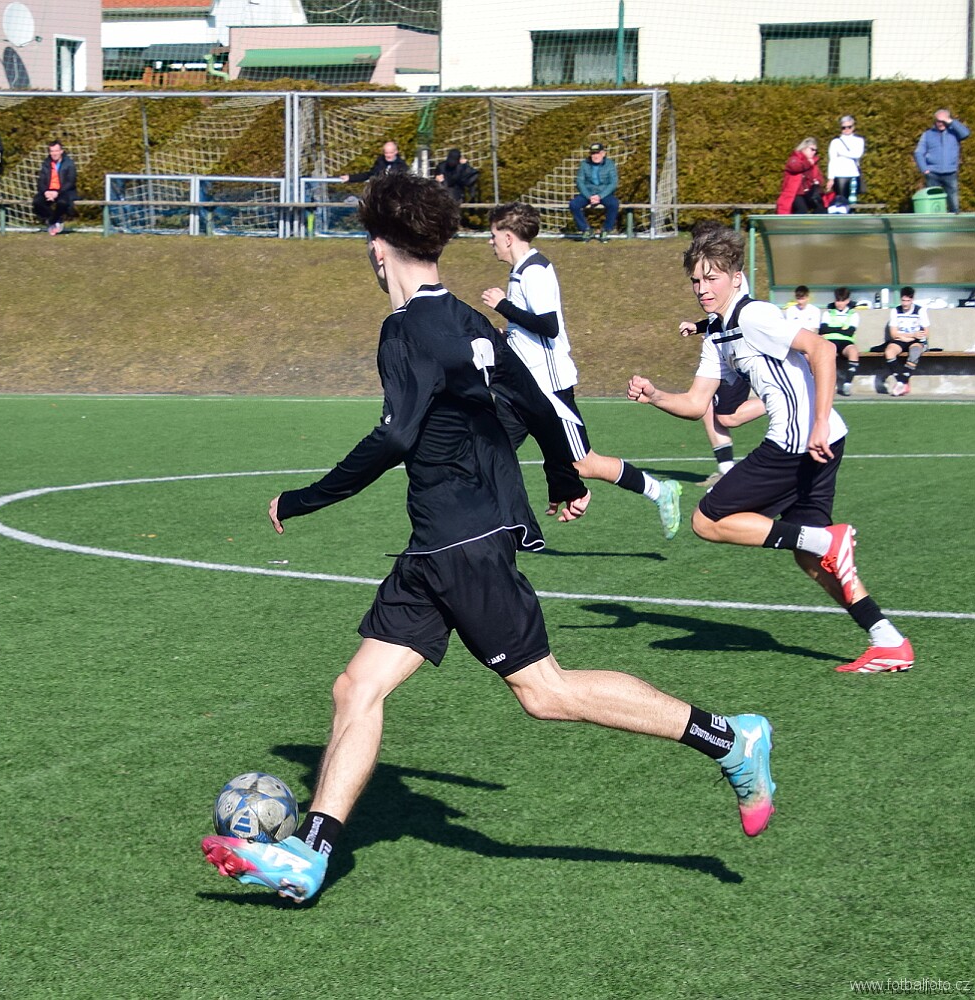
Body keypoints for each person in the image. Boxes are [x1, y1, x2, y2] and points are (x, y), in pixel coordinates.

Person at [199, 173, 777, 904]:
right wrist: (563, 475)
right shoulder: (472, 322)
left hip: (461, 544)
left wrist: (306, 499)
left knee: (545, 691)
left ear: (379, 248)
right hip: (440, 545)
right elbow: (536, 400)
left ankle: (730, 738)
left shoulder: (404, 329)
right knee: (357, 686)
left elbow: (395, 438)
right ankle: (310, 855)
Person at [627, 224, 913, 674]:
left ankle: (829, 539)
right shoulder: (718, 332)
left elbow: (822, 351)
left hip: (799, 441)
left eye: (712, 278)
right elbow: (697, 404)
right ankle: (887, 638)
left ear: (736, 277)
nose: (702, 289)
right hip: (818, 441)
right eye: (696, 280)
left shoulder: (752, 316)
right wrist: (656, 396)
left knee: (707, 519)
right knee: (811, 556)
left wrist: (818, 421)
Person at [479, 202, 683, 538]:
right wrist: (507, 337)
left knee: (585, 463)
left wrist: (503, 306)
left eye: (494, 235)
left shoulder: (535, 271)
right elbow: (530, 331)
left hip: (549, 389)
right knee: (488, 451)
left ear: (509, 237)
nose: (491, 242)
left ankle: (661, 491)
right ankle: (480, 532)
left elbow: (548, 327)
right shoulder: (520, 271)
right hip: (523, 390)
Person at [913, 108, 969, 213]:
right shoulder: (927, 134)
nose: (940, 123)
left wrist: (950, 121)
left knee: (954, 204)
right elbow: (918, 152)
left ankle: (955, 220)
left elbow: (966, 133)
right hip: (932, 174)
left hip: (950, 172)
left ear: (947, 120)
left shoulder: (954, 133)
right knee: (934, 203)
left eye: (943, 121)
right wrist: (924, 169)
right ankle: (935, 222)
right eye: (938, 121)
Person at [880, 286, 930, 397]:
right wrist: (911, 335)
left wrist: (912, 337)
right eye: (903, 300)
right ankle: (902, 382)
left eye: (907, 301)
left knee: (915, 351)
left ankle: (901, 383)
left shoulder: (920, 310)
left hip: (915, 340)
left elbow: (926, 333)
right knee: (889, 352)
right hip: (901, 339)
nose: (905, 304)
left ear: (912, 300)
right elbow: (893, 334)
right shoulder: (895, 311)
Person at [569, 142, 620, 240]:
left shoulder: (610, 164)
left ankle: (606, 230)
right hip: (588, 193)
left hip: (604, 193)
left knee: (614, 204)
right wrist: (589, 196)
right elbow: (580, 182)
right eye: (593, 153)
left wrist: (600, 196)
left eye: (598, 153)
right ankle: (585, 229)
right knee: (574, 204)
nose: (595, 156)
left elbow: (613, 183)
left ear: (603, 153)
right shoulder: (584, 164)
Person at [818, 286, 862, 396]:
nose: (839, 304)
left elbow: (850, 332)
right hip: (830, 341)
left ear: (847, 301)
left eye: (842, 301)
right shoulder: (828, 313)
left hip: (846, 342)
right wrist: (841, 328)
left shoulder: (853, 314)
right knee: (826, 354)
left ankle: (847, 383)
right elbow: (823, 329)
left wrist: (832, 329)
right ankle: (826, 385)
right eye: (837, 300)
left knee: (853, 352)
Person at [33, 140, 77, 236]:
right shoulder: (46, 163)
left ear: (61, 151)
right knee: (37, 202)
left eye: (56, 151)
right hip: (48, 191)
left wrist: (58, 192)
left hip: (63, 191)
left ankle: (52, 221)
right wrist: (45, 192)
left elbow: (70, 181)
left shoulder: (69, 163)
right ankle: (57, 220)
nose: (54, 153)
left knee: (63, 203)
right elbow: (41, 180)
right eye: (52, 151)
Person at [826, 116, 865, 214]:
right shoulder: (835, 142)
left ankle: (852, 218)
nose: (847, 129)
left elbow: (857, 154)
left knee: (852, 202)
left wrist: (841, 152)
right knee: (841, 201)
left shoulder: (859, 140)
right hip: (840, 175)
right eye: (844, 127)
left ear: (853, 127)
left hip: (854, 174)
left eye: (849, 127)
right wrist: (831, 178)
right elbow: (832, 160)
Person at [776, 138, 823, 215]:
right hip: (795, 193)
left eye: (816, 151)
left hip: (809, 193)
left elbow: (819, 177)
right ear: (804, 148)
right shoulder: (794, 159)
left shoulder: (813, 164)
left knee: (820, 208)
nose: (814, 152)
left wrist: (817, 182)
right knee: (802, 210)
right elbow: (795, 167)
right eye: (812, 149)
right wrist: (808, 163)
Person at [337, 141, 408, 183]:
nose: (388, 155)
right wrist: (350, 178)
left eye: (391, 153)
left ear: (396, 152)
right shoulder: (380, 162)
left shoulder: (402, 166)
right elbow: (369, 175)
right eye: (386, 153)